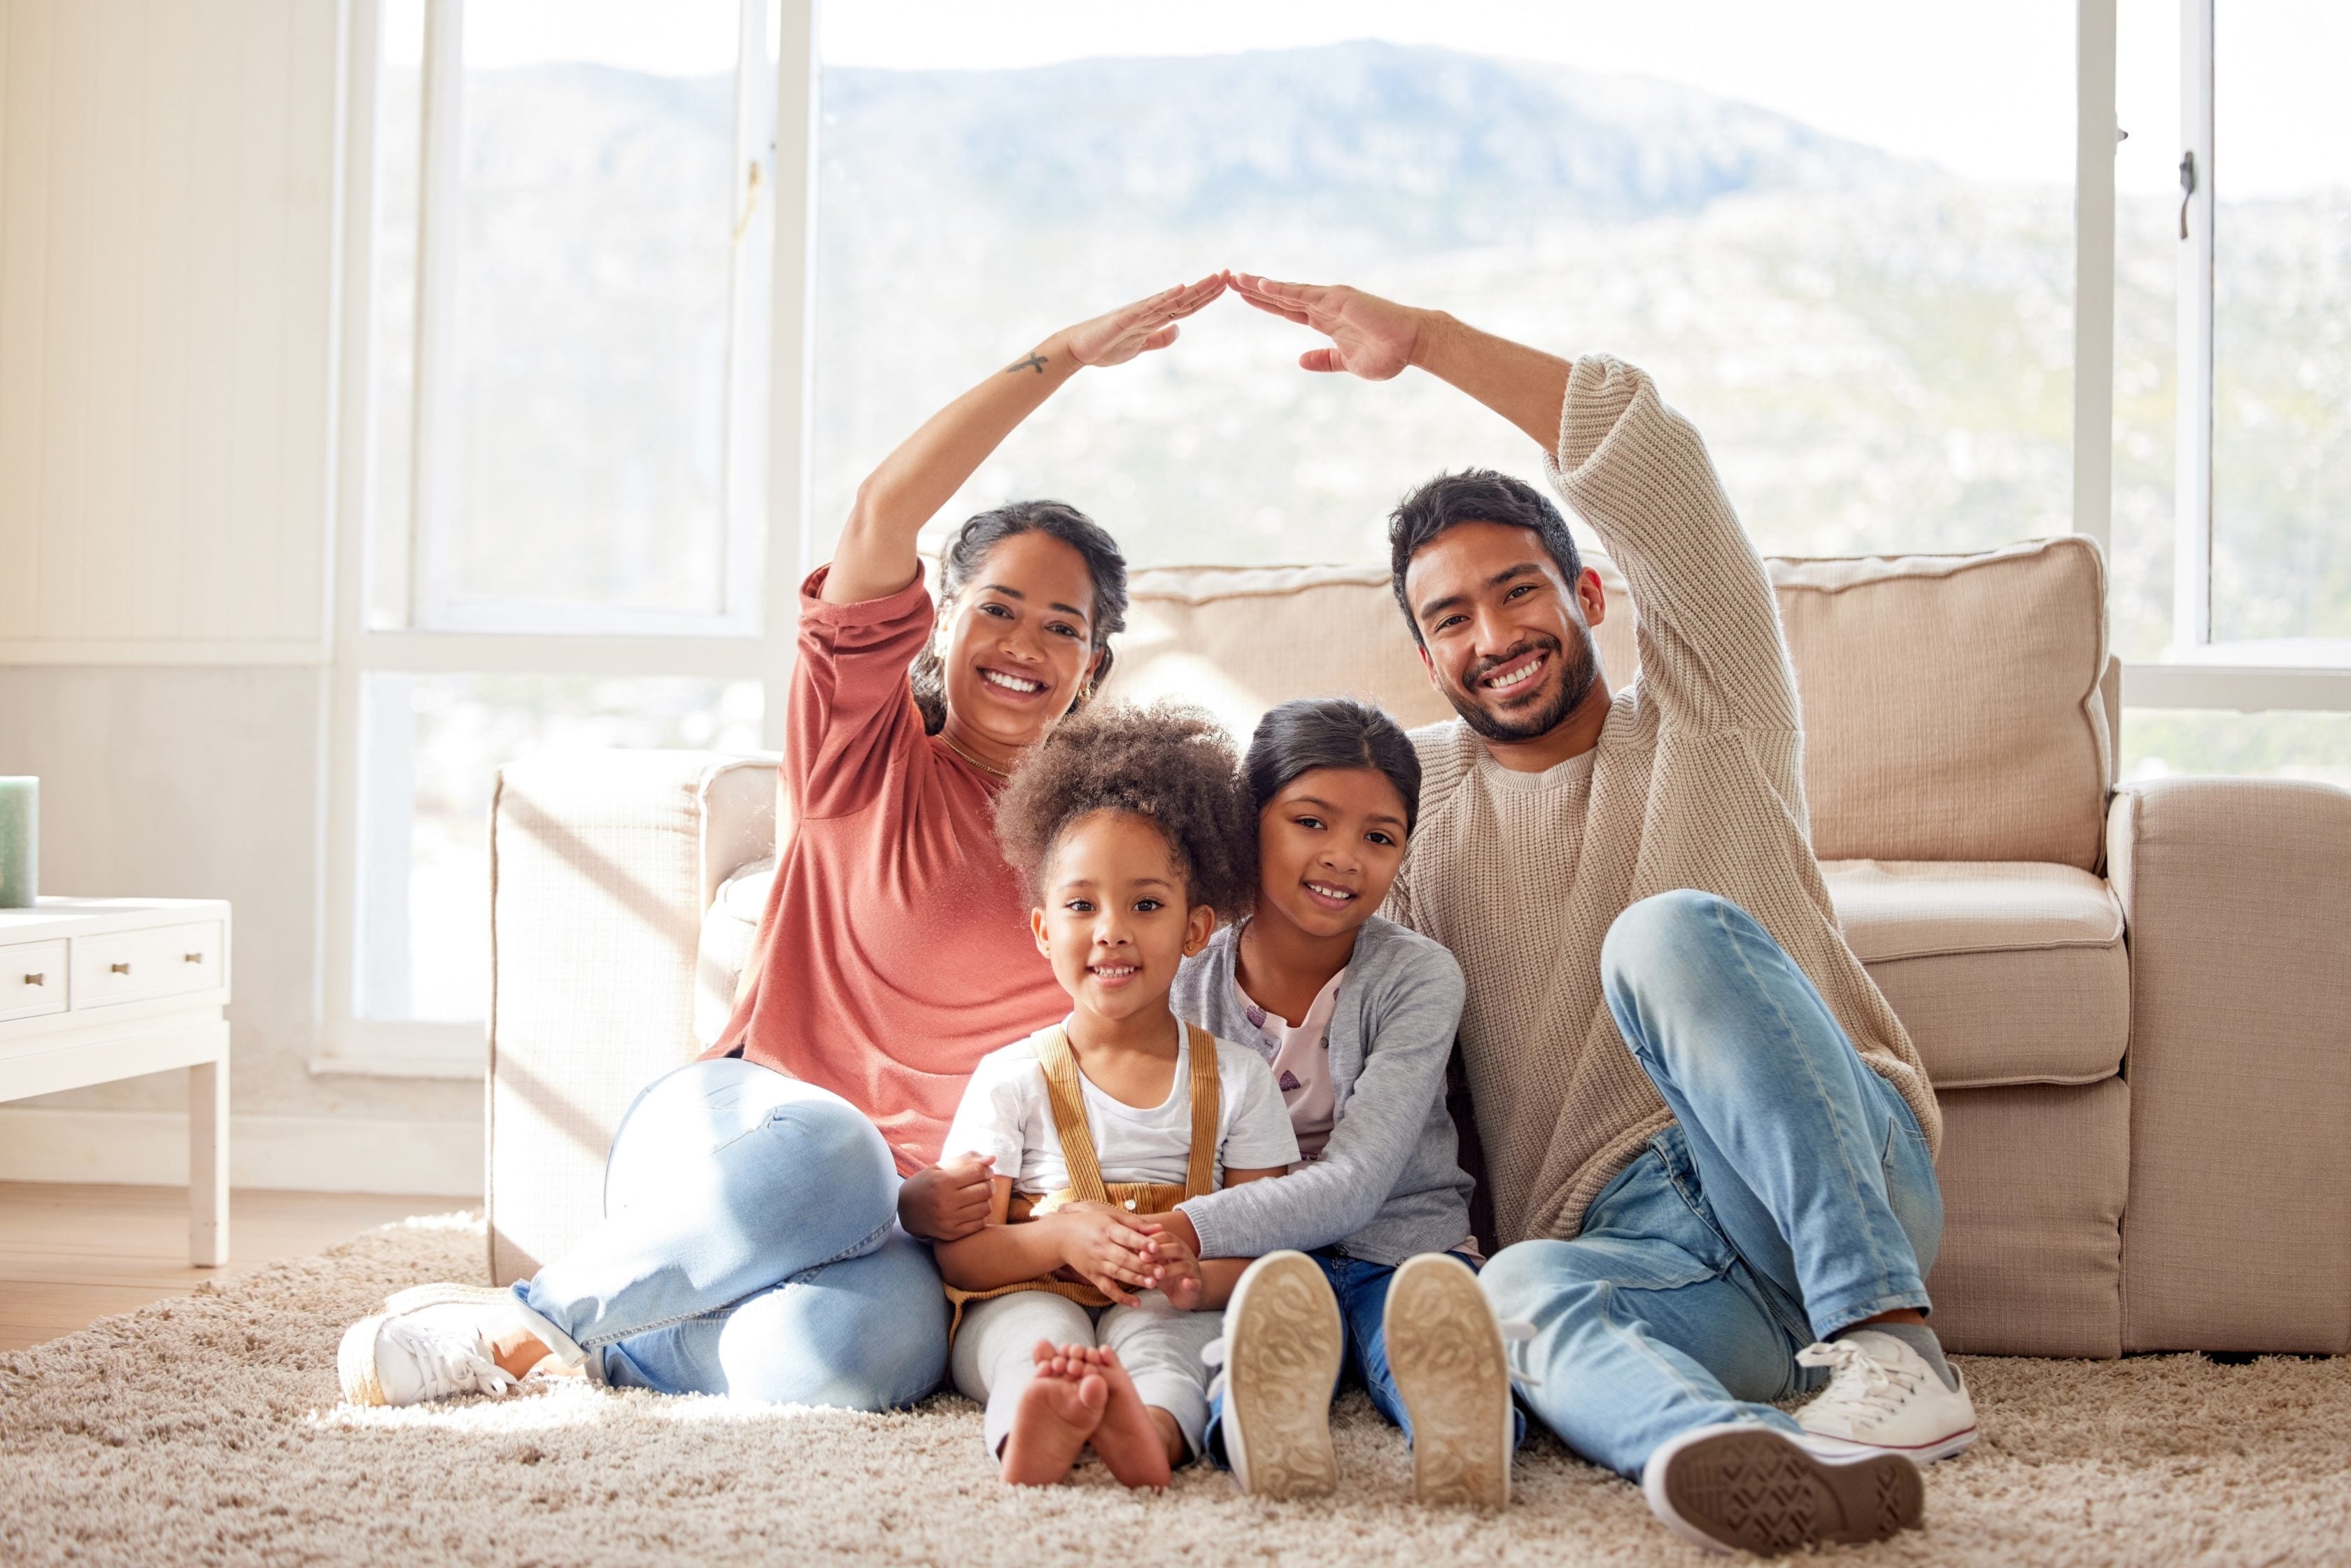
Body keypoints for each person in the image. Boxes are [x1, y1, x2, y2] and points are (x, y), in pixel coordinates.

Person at [334, 274, 1229, 1411]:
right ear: (940, 619)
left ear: (1092, 670)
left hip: (910, 1225)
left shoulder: (1120, 861)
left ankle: (615, 1347)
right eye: (997, 607)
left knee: (872, 1360)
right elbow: (877, 517)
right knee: (840, 1156)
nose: (1025, 643)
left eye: (1065, 628)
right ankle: (525, 1325)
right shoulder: (869, 750)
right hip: (748, 1144)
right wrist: (1060, 356)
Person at [1227, 272, 1977, 1555]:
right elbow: (1252, 889)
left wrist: (1431, 343)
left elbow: (1664, 473)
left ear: (1588, 595)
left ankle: (1892, 1348)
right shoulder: (1403, 815)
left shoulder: (1711, 714)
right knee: (1508, 1291)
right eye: (1450, 617)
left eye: (1519, 590)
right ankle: (1723, 1448)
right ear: (1424, 659)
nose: (1495, 634)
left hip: (1825, 1184)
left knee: (1664, 931)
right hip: (1640, 1255)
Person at [1155, 697, 1515, 1509]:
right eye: (1311, 822)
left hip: (1403, 1254)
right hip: (1260, 1263)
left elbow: (1357, 1185)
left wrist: (1190, 1227)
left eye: (1378, 838)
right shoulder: (1186, 978)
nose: (1344, 858)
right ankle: (1267, 1420)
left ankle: (1463, 1420)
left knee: (1431, 1344)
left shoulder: (1420, 977)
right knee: (1242, 1341)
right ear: (1250, 824)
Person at [938, 702, 1297, 1488]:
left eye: (1145, 904)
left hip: (1165, 1305)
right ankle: (1036, 1422)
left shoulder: (1240, 1080)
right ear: (1041, 930)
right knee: (1027, 1341)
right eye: (1080, 905)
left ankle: (1150, 1432)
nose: (1111, 930)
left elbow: (1267, 1241)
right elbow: (961, 1251)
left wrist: (1194, 1276)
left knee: (1175, 1348)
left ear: (1196, 928)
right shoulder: (1011, 1077)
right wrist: (1059, 1239)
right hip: (1024, 1292)